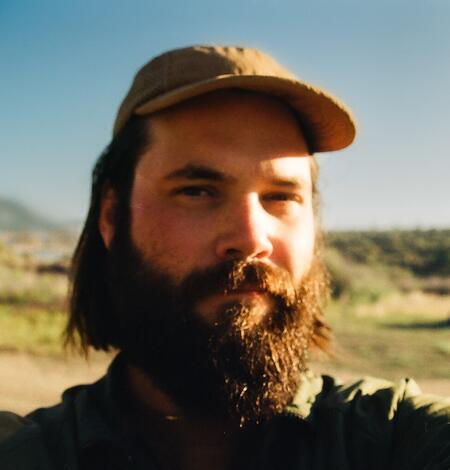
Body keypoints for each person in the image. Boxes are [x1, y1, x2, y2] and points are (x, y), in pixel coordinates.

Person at [1, 45, 449, 470]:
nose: (253, 239)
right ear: (112, 216)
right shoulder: (26, 454)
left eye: (281, 197)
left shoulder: (394, 437)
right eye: (196, 191)